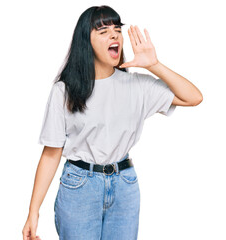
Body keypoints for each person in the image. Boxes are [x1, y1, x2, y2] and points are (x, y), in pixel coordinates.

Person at [22, 5, 203, 240]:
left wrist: (153, 65)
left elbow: (194, 97)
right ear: (85, 41)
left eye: (117, 29)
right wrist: (33, 211)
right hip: (80, 187)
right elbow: (51, 153)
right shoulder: (64, 91)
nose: (114, 34)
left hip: (124, 185)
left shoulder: (137, 85)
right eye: (103, 31)